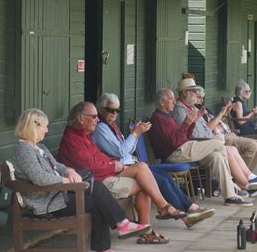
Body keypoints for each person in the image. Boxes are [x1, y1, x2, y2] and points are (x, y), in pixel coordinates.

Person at [12, 109, 150, 252]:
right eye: (45, 126)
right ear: (34, 126)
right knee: (97, 189)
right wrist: (66, 182)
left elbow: (57, 165)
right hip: (47, 202)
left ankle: (106, 249)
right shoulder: (23, 151)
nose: (47, 130)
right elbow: (40, 178)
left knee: (98, 200)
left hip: (56, 195)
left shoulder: (39, 148)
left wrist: (69, 171)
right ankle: (120, 227)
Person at [59, 101, 184, 244]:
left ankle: (160, 213)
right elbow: (91, 167)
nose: (98, 120)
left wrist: (117, 165)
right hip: (96, 183)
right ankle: (155, 220)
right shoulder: (73, 139)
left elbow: (100, 158)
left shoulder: (85, 135)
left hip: (106, 175)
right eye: (94, 117)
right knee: (144, 184)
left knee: (141, 167)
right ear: (81, 118)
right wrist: (114, 166)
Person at [91, 93, 215, 229]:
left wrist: (135, 134)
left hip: (133, 164)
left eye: (117, 111)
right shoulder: (101, 128)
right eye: (111, 110)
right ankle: (186, 215)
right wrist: (135, 133)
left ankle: (191, 208)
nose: (115, 114)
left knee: (166, 178)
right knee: (161, 181)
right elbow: (120, 152)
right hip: (122, 168)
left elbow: (128, 150)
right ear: (101, 110)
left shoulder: (112, 126)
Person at [149, 88, 255, 206]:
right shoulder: (158, 119)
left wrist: (193, 122)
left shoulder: (167, 116)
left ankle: (230, 196)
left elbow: (184, 137)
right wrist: (186, 123)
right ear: (161, 102)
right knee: (219, 144)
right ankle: (233, 187)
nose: (174, 102)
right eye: (171, 99)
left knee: (217, 157)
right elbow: (174, 143)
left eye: (174, 99)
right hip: (175, 153)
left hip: (183, 148)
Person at [171, 80, 257, 196]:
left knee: (231, 149)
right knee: (227, 149)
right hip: (196, 146)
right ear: (185, 92)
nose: (197, 95)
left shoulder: (192, 108)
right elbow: (193, 135)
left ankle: (250, 178)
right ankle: (245, 185)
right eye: (194, 91)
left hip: (206, 142)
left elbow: (204, 129)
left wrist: (219, 119)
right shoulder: (180, 110)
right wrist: (213, 137)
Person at [194, 87, 257, 172]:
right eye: (199, 97)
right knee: (252, 146)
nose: (202, 100)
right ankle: (241, 178)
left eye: (203, 98)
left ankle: (247, 177)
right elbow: (208, 129)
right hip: (221, 138)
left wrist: (225, 113)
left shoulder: (204, 108)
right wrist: (221, 113)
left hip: (230, 133)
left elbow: (217, 121)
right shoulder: (196, 112)